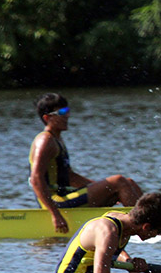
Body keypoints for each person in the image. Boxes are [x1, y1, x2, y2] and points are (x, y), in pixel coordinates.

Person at [29, 93, 144, 234]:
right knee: (119, 181)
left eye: (67, 111)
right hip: (56, 202)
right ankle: (143, 225)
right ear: (47, 118)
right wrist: (55, 215)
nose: (67, 116)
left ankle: (148, 216)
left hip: (66, 195)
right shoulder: (45, 141)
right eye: (61, 112)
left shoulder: (57, 139)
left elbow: (70, 177)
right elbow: (36, 179)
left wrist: (102, 189)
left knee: (127, 182)